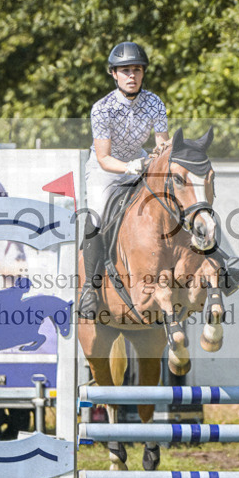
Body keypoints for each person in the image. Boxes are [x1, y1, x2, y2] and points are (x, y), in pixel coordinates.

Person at [78, 41, 170, 319]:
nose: (132, 75)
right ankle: (90, 288)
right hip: (105, 168)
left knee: (175, 200)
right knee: (96, 213)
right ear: (114, 74)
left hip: (140, 161)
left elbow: (162, 145)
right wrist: (131, 167)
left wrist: (159, 156)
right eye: (126, 70)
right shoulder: (102, 108)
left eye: (137, 70)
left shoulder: (155, 103)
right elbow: (104, 158)